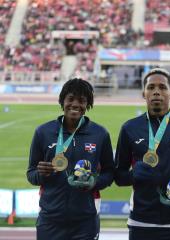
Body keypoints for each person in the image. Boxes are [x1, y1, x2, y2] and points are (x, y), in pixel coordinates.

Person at [114, 67, 170, 240]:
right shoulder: (129, 128)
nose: (156, 92)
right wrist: (133, 175)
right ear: (143, 93)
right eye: (151, 87)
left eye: (162, 88)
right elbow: (118, 176)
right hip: (140, 222)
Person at [27, 78, 114, 240]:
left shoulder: (100, 134)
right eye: (70, 99)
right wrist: (41, 174)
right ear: (62, 101)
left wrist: (94, 182)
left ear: (88, 104)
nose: (75, 104)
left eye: (81, 101)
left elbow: (110, 173)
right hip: (50, 220)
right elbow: (31, 174)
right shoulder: (43, 132)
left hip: (85, 221)